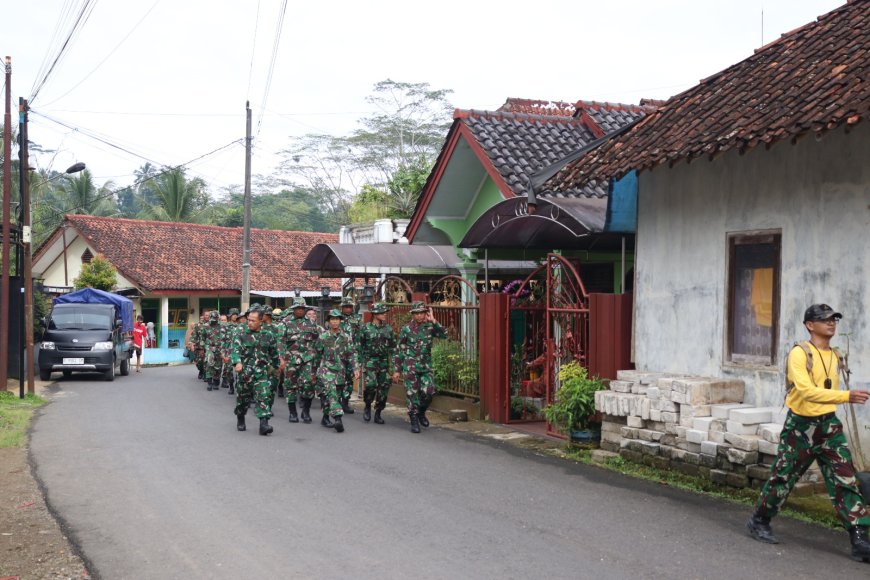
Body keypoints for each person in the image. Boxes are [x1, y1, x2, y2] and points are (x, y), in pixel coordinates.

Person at [747, 304, 870, 562]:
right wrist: (845, 396)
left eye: (834, 319)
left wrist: (840, 400)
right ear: (809, 325)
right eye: (824, 319)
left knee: (845, 480)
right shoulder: (799, 353)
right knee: (784, 477)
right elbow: (805, 391)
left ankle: (859, 538)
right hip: (801, 427)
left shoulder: (835, 355)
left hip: (828, 426)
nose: (831, 323)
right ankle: (760, 520)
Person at [393, 301, 447, 433]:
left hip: (425, 367)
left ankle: (421, 412)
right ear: (413, 315)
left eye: (422, 313)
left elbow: (444, 335)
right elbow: (399, 350)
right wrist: (397, 370)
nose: (420, 316)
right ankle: (414, 420)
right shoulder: (406, 329)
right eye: (417, 313)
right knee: (412, 394)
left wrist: (434, 321)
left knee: (429, 392)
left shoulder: (429, 326)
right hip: (410, 367)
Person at [230, 306, 284, 436]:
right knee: (242, 400)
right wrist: (237, 362)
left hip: (261, 372)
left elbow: (274, 353)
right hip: (245, 373)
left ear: (261, 321)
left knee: (263, 396)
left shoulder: (268, 335)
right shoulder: (241, 334)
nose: (249, 322)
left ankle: (263, 424)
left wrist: (277, 367)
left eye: (253, 320)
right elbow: (235, 350)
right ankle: (241, 418)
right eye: (248, 320)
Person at [281, 299, 322, 423]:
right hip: (291, 359)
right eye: (297, 308)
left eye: (302, 308)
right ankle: (292, 413)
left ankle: (306, 411)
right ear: (293, 309)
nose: (300, 310)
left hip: (307, 359)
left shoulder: (311, 323)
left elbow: (316, 340)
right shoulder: (285, 323)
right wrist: (281, 358)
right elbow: (280, 342)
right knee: (290, 386)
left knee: (309, 384)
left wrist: (317, 357)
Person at [315, 309, 354, 433]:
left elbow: (351, 354)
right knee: (331, 392)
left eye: (337, 319)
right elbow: (317, 354)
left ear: (340, 321)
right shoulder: (323, 336)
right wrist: (313, 372)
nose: (335, 321)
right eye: (332, 319)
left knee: (334, 395)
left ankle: (325, 418)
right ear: (329, 322)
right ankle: (338, 419)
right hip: (326, 369)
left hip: (340, 370)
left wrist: (355, 368)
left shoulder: (346, 337)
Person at [356, 303, 396, 424]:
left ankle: (378, 412)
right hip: (370, 361)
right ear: (375, 314)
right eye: (382, 312)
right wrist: (360, 363)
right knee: (370, 386)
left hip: (384, 362)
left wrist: (393, 367)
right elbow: (359, 347)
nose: (384, 314)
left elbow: (393, 348)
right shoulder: (365, 328)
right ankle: (367, 405)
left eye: (385, 312)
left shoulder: (388, 329)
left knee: (383, 389)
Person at [338, 297, 362, 414]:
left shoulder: (357, 318)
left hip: (352, 352)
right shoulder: (337, 318)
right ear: (342, 307)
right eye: (346, 307)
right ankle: (336, 401)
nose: (348, 309)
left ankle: (345, 402)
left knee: (349, 378)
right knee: (338, 377)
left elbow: (360, 335)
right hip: (339, 353)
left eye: (350, 307)